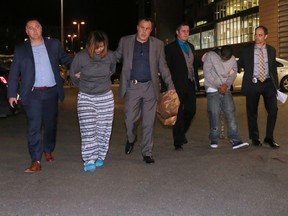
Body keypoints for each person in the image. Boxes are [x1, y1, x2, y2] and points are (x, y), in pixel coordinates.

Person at [7, 18, 72, 173]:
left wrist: (80, 69)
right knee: (34, 127)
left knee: (50, 125)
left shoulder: (53, 44)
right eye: (31, 28)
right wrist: (11, 94)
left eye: (37, 27)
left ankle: (48, 148)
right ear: (27, 31)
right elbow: (14, 73)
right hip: (32, 94)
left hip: (51, 92)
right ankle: (36, 160)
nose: (35, 30)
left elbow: (66, 60)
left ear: (41, 29)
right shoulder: (21, 49)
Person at [114, 17, 175, 164]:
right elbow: (114, 58)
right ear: (137, 27)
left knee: (149, 122)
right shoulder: (126, 41)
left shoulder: (158, 44)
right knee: (130, 120)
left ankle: (147, 152)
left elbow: (163, 66)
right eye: (142, 27)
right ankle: (131, 138)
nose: (144, 31)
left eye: (148, 29)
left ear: (151, 30)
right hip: (132, 87)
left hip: (150, 87)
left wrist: (171, 86)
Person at [69, 30, 117, 172]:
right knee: (88, 129)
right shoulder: (81, 57)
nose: (100, 49)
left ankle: (100, 155)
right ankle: (89, 159)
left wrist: (99, 81)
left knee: (103, 129)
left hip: (105, 97)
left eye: (102, 46)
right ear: (90, 45)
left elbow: (112, 70)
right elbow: (73, 75)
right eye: (97, 46)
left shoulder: (110, 56)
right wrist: (84, 85)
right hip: (86, 97)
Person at [238, 25, 279, 148]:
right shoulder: (247, 50)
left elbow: (273, 69)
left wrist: (276, 86)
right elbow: (238, 64)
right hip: (253, 83)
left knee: (273, 110)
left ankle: (269, 138)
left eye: (260, 35)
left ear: (265, 36)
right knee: (252, 112)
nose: (257, 37)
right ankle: (255, 138)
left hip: (268, 84)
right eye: (255, 34)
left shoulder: (271, 50)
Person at [202, 45, 249, 149]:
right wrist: (218, 85)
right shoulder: (211, 56)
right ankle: (214, 138)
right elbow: (207, 72)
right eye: (223, 57)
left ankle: (235, 140)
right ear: (220, 53)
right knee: (214, 112)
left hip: (225, 88)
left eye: (227, 58)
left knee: (230, 111)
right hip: (212, 88)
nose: (224, 60)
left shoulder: (232, 59)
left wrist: (226, 84)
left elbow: (233, 72)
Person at [164, 22, 200, 151]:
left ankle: (181, 132)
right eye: (183, 31)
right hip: (176, 86)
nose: (186, 33)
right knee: (178, 114)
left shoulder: (191, 46)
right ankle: (178, 141)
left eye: (188, 31)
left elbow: (192, 65)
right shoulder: (170, 48)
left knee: (191, 110)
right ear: (177, 32)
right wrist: (168, 87)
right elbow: (166, 69)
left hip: (190, 84)